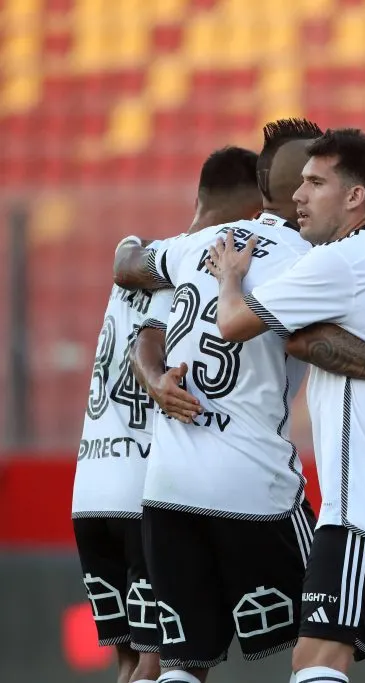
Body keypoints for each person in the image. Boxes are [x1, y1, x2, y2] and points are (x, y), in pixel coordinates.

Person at [210, 128, 365, 683]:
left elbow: (234, 324)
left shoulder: (342, 261)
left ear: (354, 196)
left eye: (316, 183)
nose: (298, 196)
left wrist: (230, 278)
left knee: (316, 658)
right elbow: (310, 339)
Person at [73, 145, 263, 683]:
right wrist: (158, 380)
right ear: (254, 214)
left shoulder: (139, 262)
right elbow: (151, 347)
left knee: (131, 664)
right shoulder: (192, 272)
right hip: (145, 493)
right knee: (162, 664)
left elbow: (125, 256)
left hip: (92, 488)